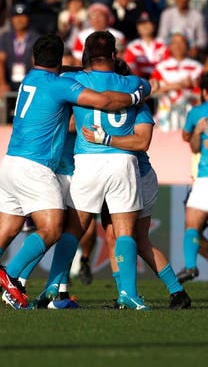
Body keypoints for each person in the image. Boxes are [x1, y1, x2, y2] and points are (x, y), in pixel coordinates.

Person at [0, 33, 148, 309]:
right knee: (52, 229)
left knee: (3, 232)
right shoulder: (60, 86)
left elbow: (63, 72)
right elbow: (107, 102)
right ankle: (10, 276)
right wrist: (138, 92)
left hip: (10, 163)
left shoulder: (29, 79)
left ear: (33, 58)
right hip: (36, 167)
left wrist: (79, 70)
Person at [37, 31, 151, 311]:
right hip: (123, 160)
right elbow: (147, 87)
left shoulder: (73, 80)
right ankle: (128, 294)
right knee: (124, 230)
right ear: (114, 55)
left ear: (86, 55)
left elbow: (54, 77)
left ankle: (53, 284)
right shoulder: (134, 83)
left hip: (87, 159)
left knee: (74, 228)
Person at [81, 66, 192, 309]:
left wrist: (106, 140)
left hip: (137, 176)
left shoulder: (137, 107)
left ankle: (176, 291)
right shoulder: (103, 103)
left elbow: (142, 142)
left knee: (137, 239)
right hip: (119, 175)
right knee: (112, 236)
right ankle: (126, 293)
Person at [178, 72, 208, 284]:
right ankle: (189, 267)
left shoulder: (198, 113)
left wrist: (196, 132)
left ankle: (190, 266)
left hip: (205, 178)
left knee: (192, 225)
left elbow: (189, 140)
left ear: (204, 92)